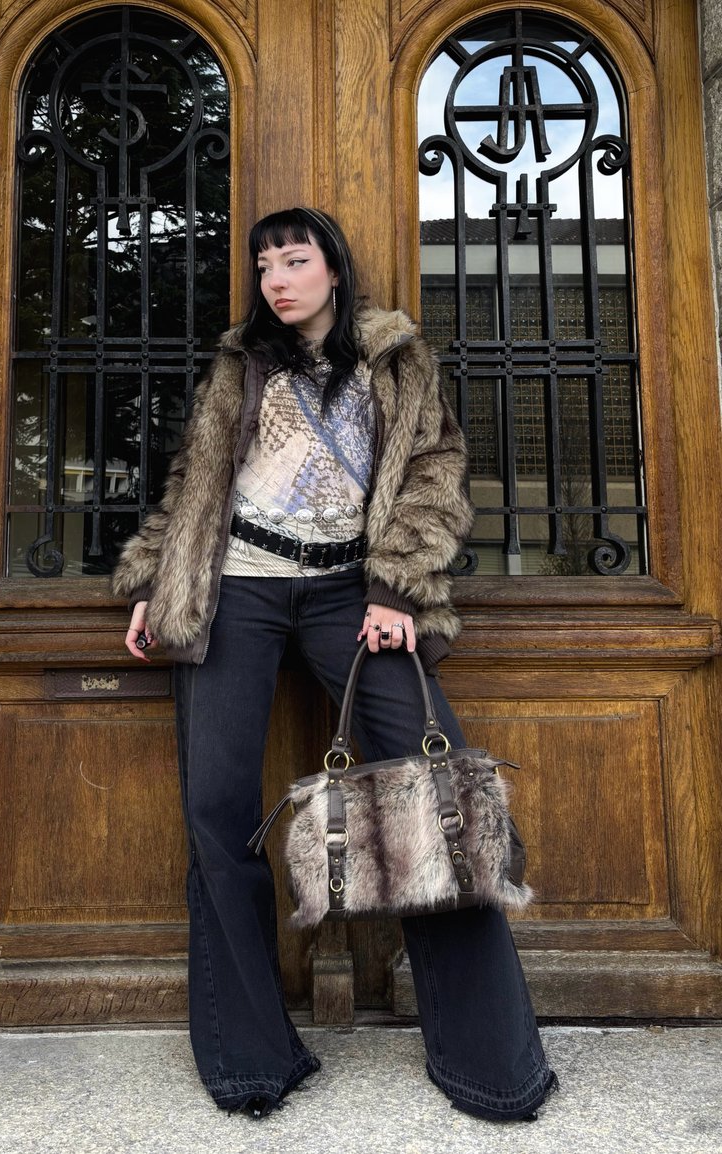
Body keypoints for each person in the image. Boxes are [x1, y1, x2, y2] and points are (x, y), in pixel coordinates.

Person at [112, 207, 556, 1122]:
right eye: (265, 262)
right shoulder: (240, 364)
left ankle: (493, 1068)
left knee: (440, 804)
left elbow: (435, 473)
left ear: (332, 268)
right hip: (235, 589)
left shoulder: (394, 358)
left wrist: (395, 586)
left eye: (295, 259)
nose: (278, 277)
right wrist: (157, 580)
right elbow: (195, 485)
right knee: (218, 812)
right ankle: (250, 1060)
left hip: (353, 596)